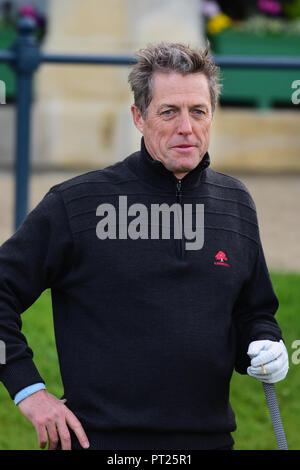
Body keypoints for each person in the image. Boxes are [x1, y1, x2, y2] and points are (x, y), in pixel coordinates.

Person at [0, 42, 288, 451]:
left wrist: (264, 342)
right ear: (139, 117)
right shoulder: (77, 204)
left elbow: (254, 310)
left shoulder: (235, 202)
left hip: (211, 442)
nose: (186, 127)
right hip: (103, 443)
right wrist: (26, 389)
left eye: (198, 111)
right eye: (169, 112)